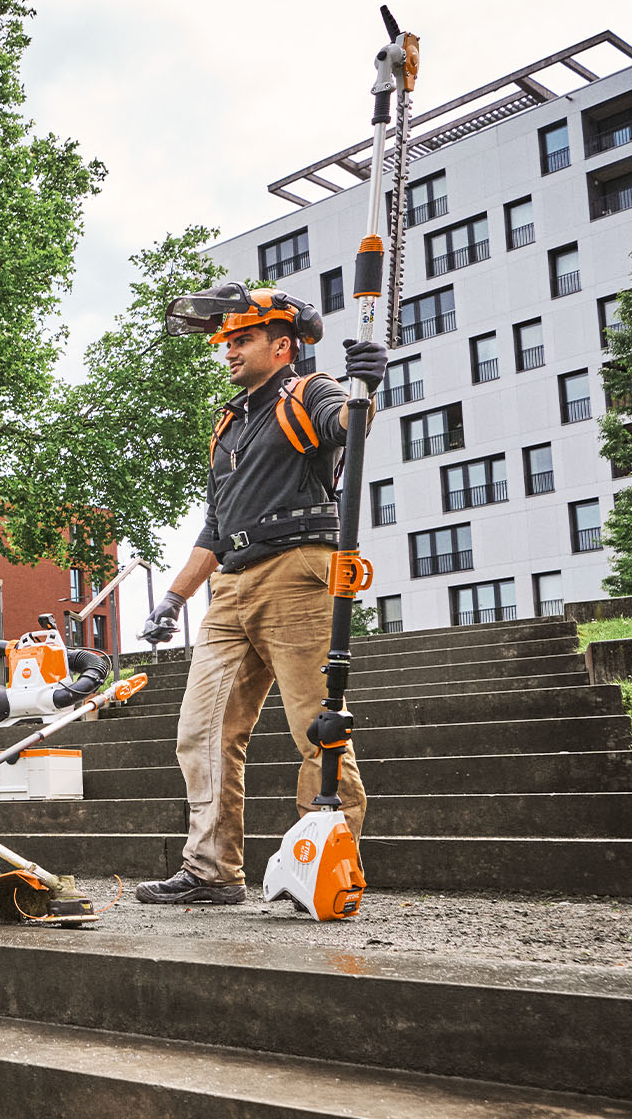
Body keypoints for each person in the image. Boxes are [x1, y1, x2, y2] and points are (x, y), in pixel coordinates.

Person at [135, 286, 387, 905]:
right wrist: (174, 597)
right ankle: (211, 870)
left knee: (316, 727)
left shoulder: (308, 392)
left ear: (282, 345)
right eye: (224, 341)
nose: (227, 350)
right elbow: (215, 527)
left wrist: (365, 390)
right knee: (203, 730)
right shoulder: (229, 423)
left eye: (241, 339)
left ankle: (324, 864)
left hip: (298, 570)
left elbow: (347, 427)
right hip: (231, 586)